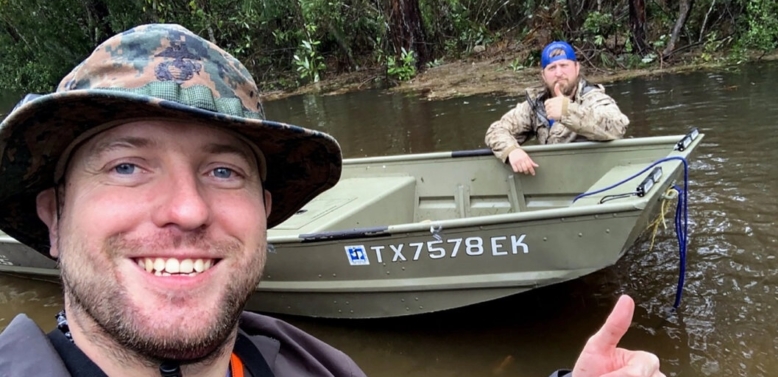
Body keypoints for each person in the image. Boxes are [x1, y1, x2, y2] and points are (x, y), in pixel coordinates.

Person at [0, 24, 661, 377]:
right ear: (52, 216)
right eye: (126, 165)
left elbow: (614, 132)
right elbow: (498, 133)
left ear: (264, 207)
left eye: (224, 172)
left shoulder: (316, 365)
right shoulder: (526, 105)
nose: (187, 209)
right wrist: (515, 142)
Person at [485, 41, 629, 175]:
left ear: (576, 68)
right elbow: (496, 130)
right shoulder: (536, 105)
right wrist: (512, 151)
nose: (558, 73)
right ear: (543, 75)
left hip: (592, 177)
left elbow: (617, 126)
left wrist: (567, 111)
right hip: (555, 180)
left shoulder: (592, 98)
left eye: (564, 65)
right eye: (552, 68)